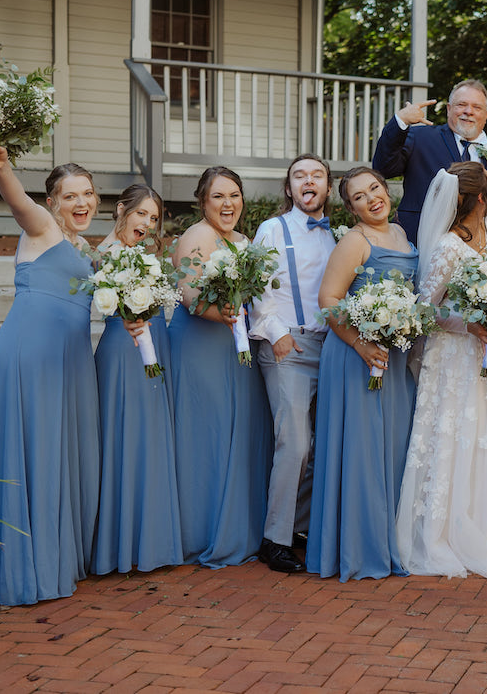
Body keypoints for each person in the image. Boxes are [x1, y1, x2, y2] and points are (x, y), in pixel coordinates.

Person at [0, 151, 102, 606]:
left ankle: (48, 559)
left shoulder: (85, 248)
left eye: (88, 194)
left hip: (67, 363)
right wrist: (1, 166)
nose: (81, 203)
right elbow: (17, 201)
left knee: (52, 458)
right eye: (70, 196)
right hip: (29, 358)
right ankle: (27, 572)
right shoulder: (41, 225)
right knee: (34, 457)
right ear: (52, 201)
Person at [396, 161, 487, 577]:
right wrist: (467, 323)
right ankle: (442, 533)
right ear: (482, 199)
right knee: (456, 436)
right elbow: (425, 311)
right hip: (454, 359)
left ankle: (483, 526)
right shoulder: (449, 246)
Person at [308, 167, 419, 581]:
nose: (372, 198)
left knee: (388, 449)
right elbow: (329, 299)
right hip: (355, 356)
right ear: (350, 207)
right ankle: (358, 548)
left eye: (375, 188)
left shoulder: (403, 235)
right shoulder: (354, 241)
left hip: (390, 359)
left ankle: (384, 539)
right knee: (361, 451)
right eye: (359, 196)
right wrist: (361, 342)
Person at [169, 166, 273, 568]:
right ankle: (201, 531)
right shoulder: (197, 236)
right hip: (201, 344)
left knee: (236, 429)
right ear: (203, 201)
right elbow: (192, 297)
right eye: (218, 197)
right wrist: (227, 313)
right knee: (206, 433)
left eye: (234, 195)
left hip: (235, 345)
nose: (228, 204)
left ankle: (236, 527)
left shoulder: (244, 241)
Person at [249, 155, 337, 574]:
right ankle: (274, 539)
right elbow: (254, 287)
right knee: (295, 443)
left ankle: (297, 526)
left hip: (330, 347)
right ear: (289, 189)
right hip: (288, 346)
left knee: (320, 446)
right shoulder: (272, 229)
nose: (308, 181)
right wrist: (276, 332)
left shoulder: (336, 236)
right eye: (299, 176)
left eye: (316, 175)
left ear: (327, 188)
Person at [91, 183, 183, 576]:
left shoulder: (149, 254)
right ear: (121, 210)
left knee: (151, 438)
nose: (147, 223)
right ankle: (120, 545)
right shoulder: (103, 255)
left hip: (156, 345)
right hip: (123, 351)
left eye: (153, 217)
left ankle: (152, 542)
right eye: (141, 213)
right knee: (124, 440)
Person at [372, 80, 487, 242]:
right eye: (461, 104)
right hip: (418, 240)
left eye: (476, 107)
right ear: (449, 109)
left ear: (486, 115)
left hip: (475, 247)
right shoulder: (420, 138)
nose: (468, 111)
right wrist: (400, 121)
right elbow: (383, 169)